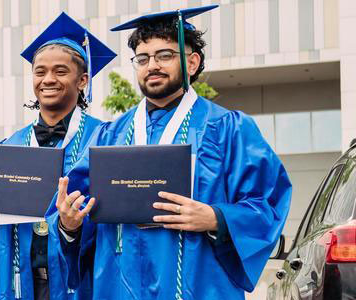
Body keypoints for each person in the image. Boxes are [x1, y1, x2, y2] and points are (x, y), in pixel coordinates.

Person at [54, 5, 293, 299]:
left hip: (199, 286)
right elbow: (73, 211)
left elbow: (267, 204)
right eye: (143, 58)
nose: (152, 65)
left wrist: (217, 217)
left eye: (165, 55)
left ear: (192, 63)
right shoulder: (109, 135)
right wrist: (68, 223)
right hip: (119, 286)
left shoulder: (228, 129)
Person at [0, 12, 115, 300]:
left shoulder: (105, 138)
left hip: (82, 281)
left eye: (60, 71)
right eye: (40, 71)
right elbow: (1, 230)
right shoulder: (10, 146)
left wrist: (73, 228)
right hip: (25, 283)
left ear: (83, 80)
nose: (48, 79)